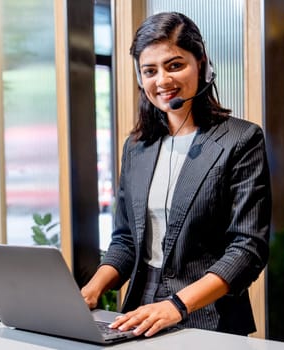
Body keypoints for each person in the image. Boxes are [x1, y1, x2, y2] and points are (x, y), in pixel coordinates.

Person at [81, 11, 272, 338]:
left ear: (201, 64)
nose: (162, 81)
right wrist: (90, 290)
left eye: (175, 65)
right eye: (149, 71)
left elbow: (247, 248)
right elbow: (126, 239)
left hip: (209, 315)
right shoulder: (137, 147)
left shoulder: (241, 139)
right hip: (140, 312)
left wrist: (176, 305)